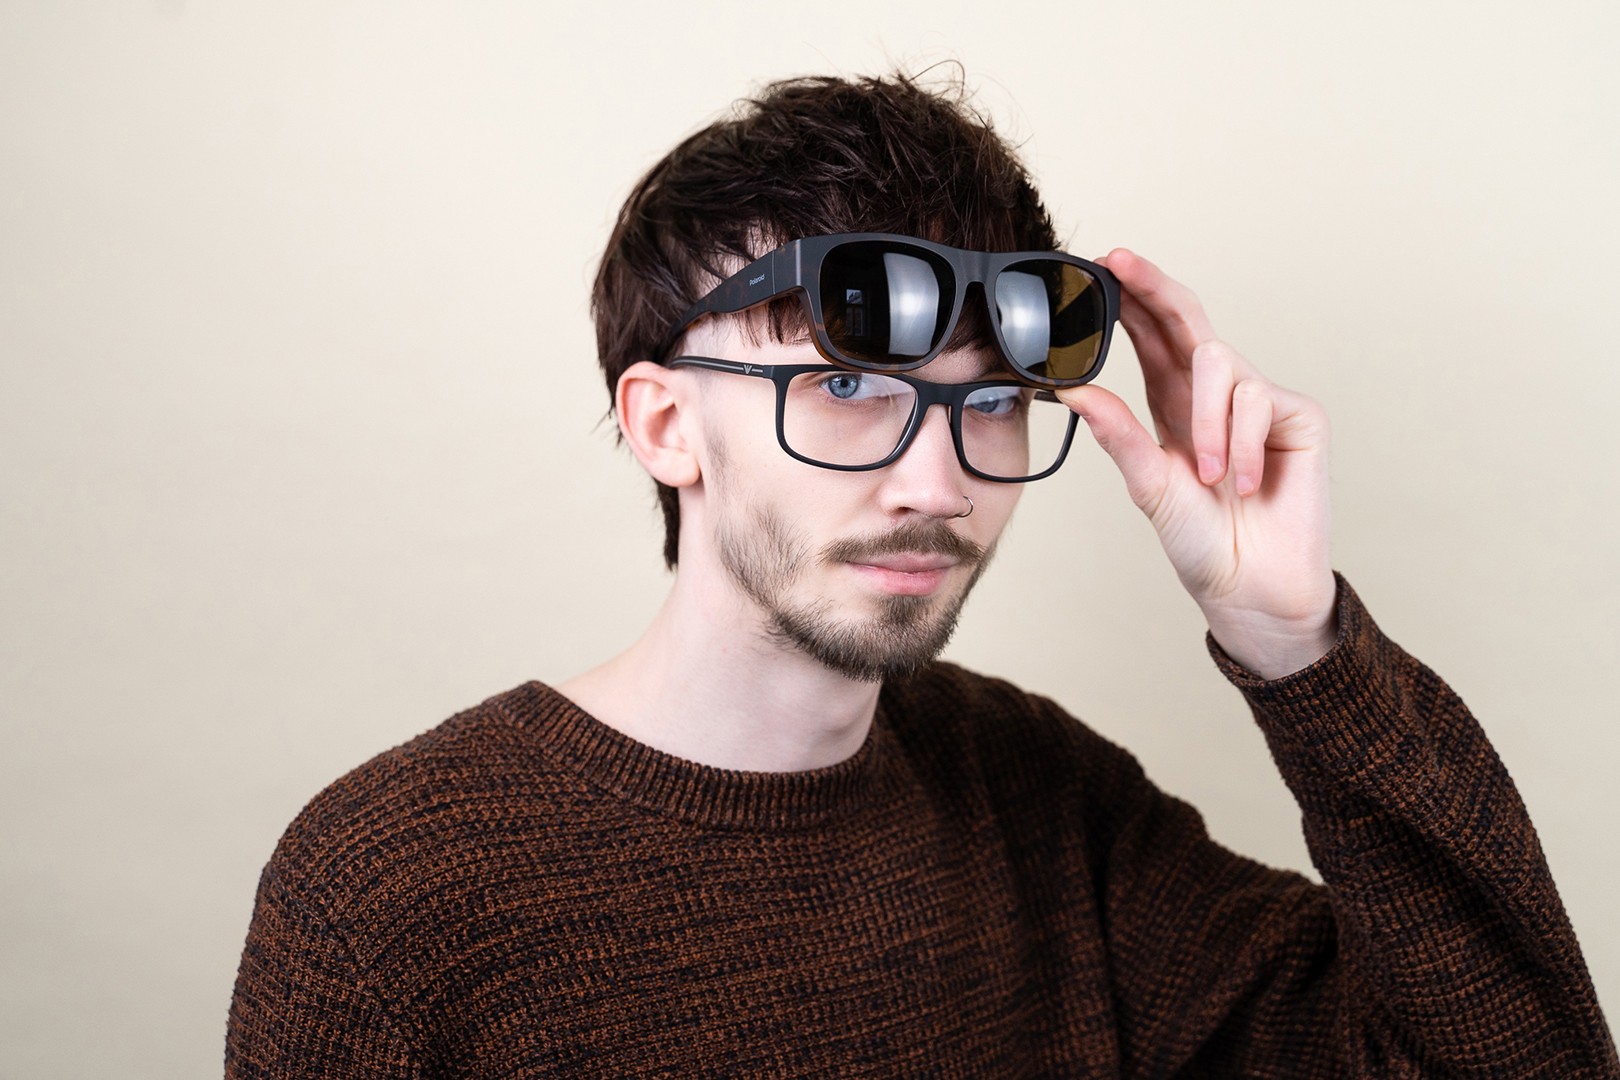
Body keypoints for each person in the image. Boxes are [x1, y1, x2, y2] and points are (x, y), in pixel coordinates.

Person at [224, 73, 1617, 1077]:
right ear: (664, 425)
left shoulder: (1038, 796)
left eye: (992, 400)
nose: (937, 482)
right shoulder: (392, 893)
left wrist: (1297, 647)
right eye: (845, 384)